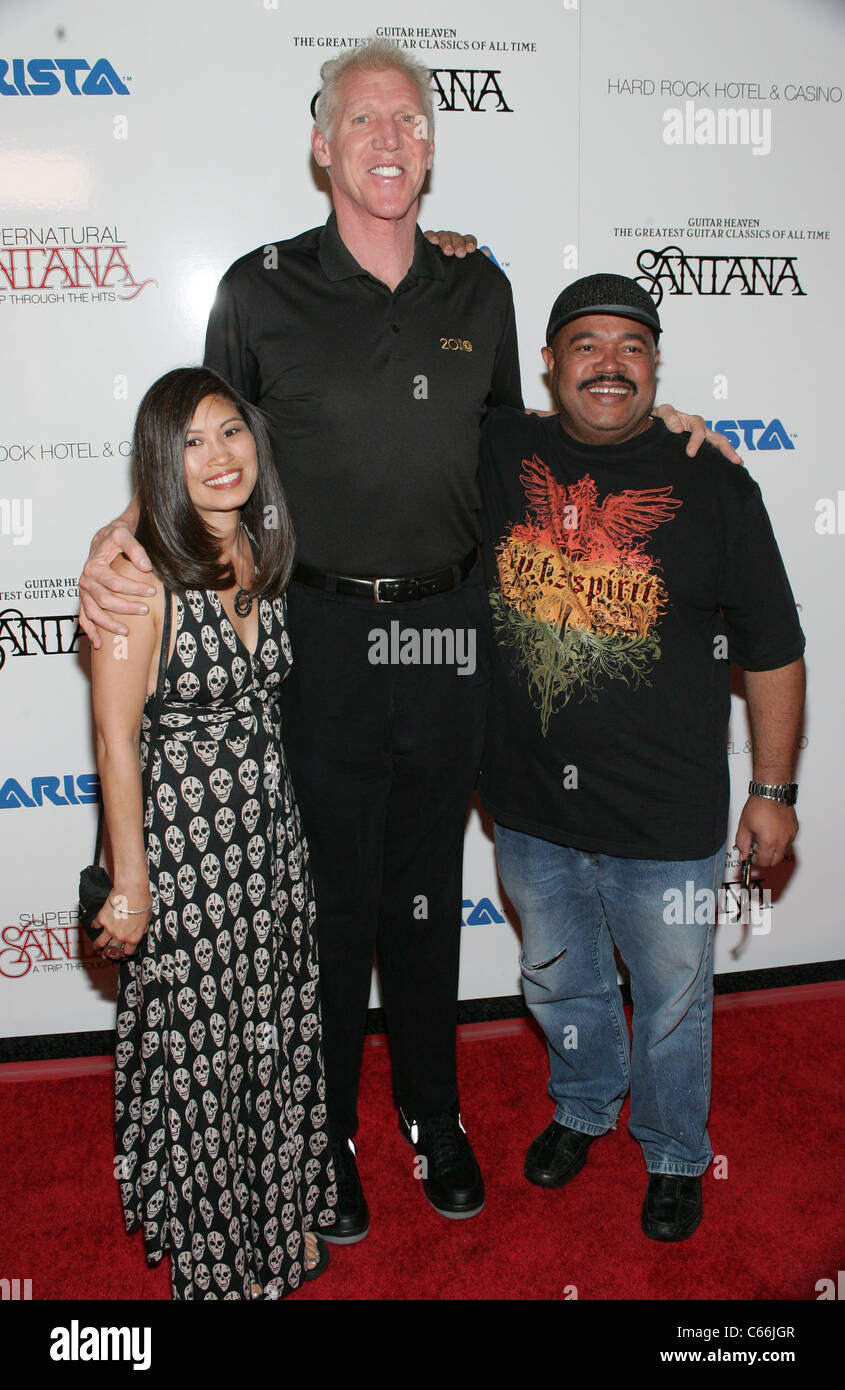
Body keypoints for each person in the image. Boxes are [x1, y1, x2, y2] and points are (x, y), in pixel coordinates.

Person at [78, 39, 738, 1243]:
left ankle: (434, 1116)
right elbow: (192, 445)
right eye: (363, 120)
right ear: (321, 144)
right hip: (317, 635)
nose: (388, 139)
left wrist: (654, 429)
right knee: (330, 905)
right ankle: (325, 1134)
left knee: (427, 897)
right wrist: (119, 536)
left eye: (410, 121)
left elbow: (523, 445)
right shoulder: (259, 288)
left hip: (448, 633)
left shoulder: (476, 290)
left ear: (429, 148)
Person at [477, 273, 805, 1241]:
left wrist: (773, 788)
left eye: (631, 346)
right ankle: (583, 1104)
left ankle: (670, 1150)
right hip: (530, 807)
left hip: (665, 814)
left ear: (655, 365)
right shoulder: (497, 449)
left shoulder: (712, 480)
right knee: (557, 980)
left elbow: (773, 649)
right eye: (586, 344)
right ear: (549, 363)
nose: (608, 364)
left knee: (670, 1002)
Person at [90, 366, 336, 1298]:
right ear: (162, 461)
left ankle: (278, 1214)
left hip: (269, 843)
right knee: (203, 1051)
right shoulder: (136, 577)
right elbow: (114, 739)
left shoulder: (262, 552)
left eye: (229, 431)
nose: (218, 455)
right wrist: (131, 884)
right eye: (190, 442)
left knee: (273, 1031)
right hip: (184, 855)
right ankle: (217, 1254)